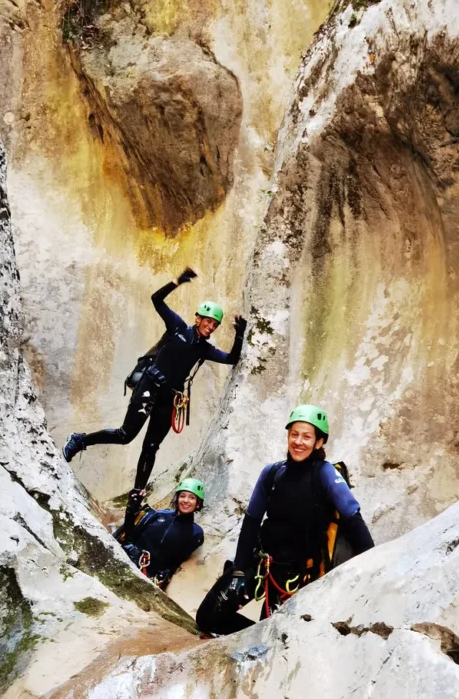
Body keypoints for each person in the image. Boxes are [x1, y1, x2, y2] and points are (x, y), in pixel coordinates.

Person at [62, 269, 247, 494]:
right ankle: (79, 441)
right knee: (125, 435)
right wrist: (177, 281)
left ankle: (136, 496)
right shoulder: (178, 327)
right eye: (208, 321)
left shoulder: (204, 349)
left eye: (215, 324)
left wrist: (239, 335)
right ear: (198, 318)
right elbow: (156, 299)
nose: (211, 326)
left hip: (170, 399)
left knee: (151, 447)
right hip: (149, 387)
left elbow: (231, 359)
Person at [195, 405, 374, 636]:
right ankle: (253, 634)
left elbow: (353, 518)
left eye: (306, 436)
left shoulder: (325, 473)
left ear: (319, 442)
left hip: (298, 573)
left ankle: (258, 635)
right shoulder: (272, 472)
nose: (298, 442)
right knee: (207, 617)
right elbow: (251, 522)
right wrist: (239, 570)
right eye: (294, 434)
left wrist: (375, 565)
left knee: (273, 636)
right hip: (262, 563)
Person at [116, 478, 206, 591]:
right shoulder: (158, 514)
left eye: (192, 498)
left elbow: (177, 561)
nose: (186, 500)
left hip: (150, 578)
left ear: (198, 504)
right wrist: (131, 509)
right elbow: (130, 534)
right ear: (177, 498)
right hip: (127, 560)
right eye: (182, 496)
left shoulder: (196, 533)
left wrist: (166, 573)